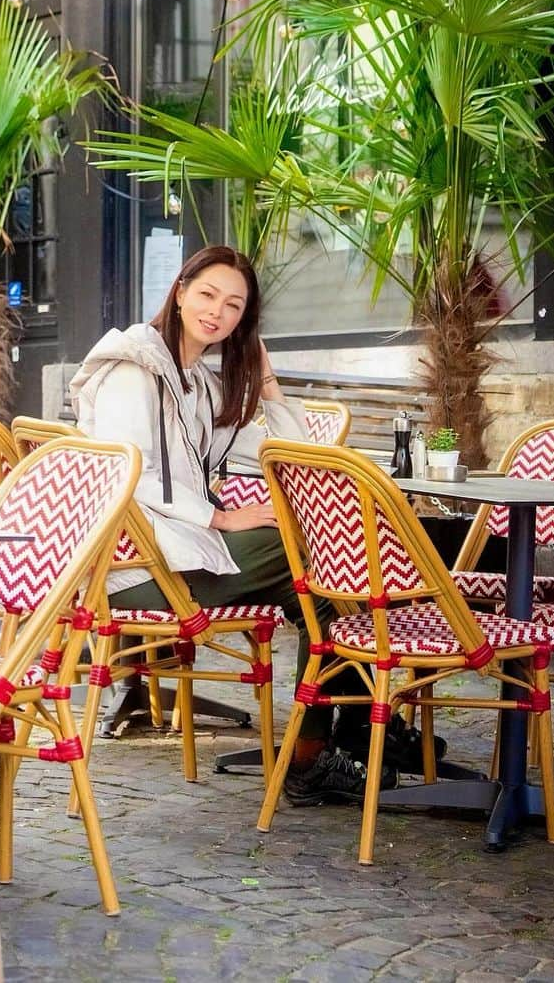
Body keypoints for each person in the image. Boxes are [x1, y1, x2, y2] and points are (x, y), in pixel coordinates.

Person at [70, 244, 410, 803]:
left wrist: (268, 379)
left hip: (179, 553)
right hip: (139, 569)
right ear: (179, 293)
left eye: (233, 306)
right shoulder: (135, 370)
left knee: (318, 583)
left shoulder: (197, 381)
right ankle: (328, 745)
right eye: (207, 295)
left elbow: (290, 450)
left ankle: (337, 738)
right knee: (317, 559)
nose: (217, 312)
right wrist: (220, 515)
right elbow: (131, 471)